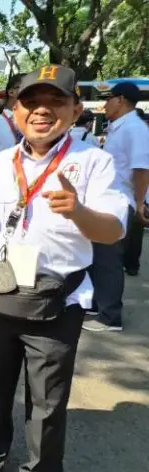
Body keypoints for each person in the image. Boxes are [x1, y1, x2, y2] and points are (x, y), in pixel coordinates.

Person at [0, 65, 128, 472]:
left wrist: (79, 212)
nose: (41, 111)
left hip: (56, 302)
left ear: (75, 110)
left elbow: (112, 231)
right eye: (31, 102)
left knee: (46, 399)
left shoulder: (93, 162)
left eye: (55, 101)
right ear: (16, 111)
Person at [85, 82, 149, 331]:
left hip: (119, 202)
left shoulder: (134, 129)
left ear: (121, 100)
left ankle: (110, 315)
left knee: (108, 259)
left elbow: (142, 169)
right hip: (104, 199)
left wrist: (140, 203)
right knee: (95, 256)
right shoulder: (119, 127)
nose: (105, 104)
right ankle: (93, 303)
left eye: (108, 98)